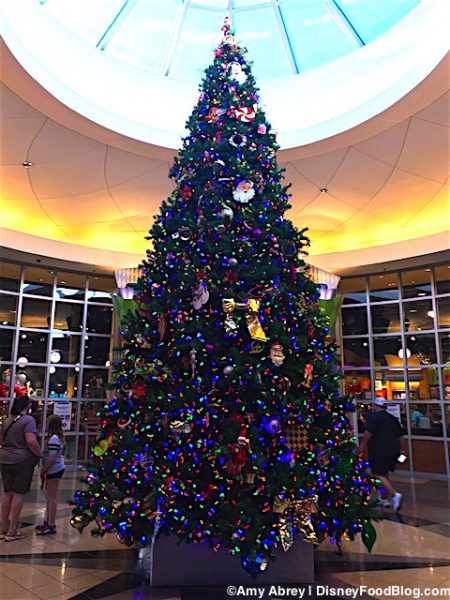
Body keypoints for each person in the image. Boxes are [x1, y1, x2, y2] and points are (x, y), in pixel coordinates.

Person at [0, 395, 41, 541]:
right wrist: (39, 454)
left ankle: (3, 528)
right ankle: (12, 531)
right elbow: (31, 441)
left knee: (7, 494)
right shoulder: (28, 420)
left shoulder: (7, 420)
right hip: (21, 461)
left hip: (5, 459)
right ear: (27, 406)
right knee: (18, 494)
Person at [360, 397, 404, 512]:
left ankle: (394, 494)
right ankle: (384, 499)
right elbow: (400, 436)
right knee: (384, 474)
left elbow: (368, 433)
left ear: (375, 406)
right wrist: (402, 450)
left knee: (377, 474)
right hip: (393, 450)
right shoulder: (393, 418)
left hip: (379, 450)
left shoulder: (374, 418)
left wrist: (362, 446)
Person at [36, 415, 65, 535]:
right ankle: (47, 521)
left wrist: (43, 470)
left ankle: (51, 524)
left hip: (54, 469)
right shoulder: (55, 438)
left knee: (51, 497)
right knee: (48, 496)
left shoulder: (54, 439)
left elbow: (51, 458)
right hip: (53, 469)